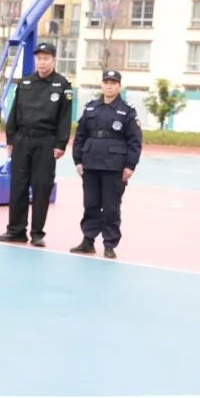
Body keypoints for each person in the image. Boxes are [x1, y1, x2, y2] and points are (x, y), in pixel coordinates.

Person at [0, 42, 73, 247]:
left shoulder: (62, 85)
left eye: (46, 58)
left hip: (46, 141)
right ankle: (16, 230)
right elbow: (14, 112)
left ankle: (37, 233)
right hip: (22, 140)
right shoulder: (25, 82)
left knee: (41, 187)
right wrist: (10, 139)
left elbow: (65, 117)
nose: (42, 62)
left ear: (54, 60)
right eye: (39, 58)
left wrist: (61, 143)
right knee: (18, 186)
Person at [70, 70, 142, 259]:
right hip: (91, 163)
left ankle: (109, 244)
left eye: (113, 83)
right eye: (106, 82)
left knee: (111, 207)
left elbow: (135, 141)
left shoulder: (127, 111)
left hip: (114, 165)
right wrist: (78, 160)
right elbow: (80, 136)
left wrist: (130, 165)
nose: (109, 86)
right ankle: (88, 241)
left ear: (119, 86)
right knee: (90, 204)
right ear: (101, 84)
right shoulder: (91, 108)